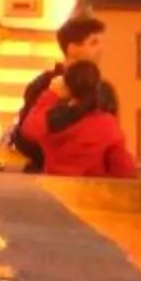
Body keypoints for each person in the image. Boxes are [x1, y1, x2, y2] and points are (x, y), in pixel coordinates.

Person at [12, 13, 109, 172]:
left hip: (90, 180)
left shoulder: (103, 89)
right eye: (93, 43)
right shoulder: (43, 85)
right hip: (47, 176)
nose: (101, 50)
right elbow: (25, 137)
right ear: (72, 48)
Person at [38, 59, 138, 177]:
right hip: (90, 191)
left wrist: (50, 95)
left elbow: (30, 127)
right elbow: (124, 169)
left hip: (53, 190)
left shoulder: (51, 119)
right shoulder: (105, 125)